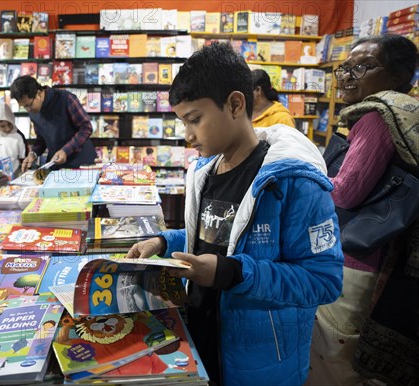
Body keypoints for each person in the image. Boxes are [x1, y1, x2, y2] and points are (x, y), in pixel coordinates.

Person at [125, 42, 343, 386]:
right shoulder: (205, 172)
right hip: (202, 341)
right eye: (183, 122)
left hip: (260, 362)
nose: (187, 136)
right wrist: (163, 241)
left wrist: (233, 273)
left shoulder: (293, 183)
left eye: (195, 120)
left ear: (235, 104)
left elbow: (324, 281)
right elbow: (214, 235)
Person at [307, 34, 419, 386]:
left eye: (363, 66)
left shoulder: (378, 114)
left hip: (355, 259)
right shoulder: (407, 113)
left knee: (332, 362)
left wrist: (308, 176)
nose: (348, 76)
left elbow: (346, 193)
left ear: (400, 75)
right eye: (345, 67)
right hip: (387, 256)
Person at [10, 76, 96, 172]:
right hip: (56, 165)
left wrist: (65, 150)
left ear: (38, 93)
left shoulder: (66, 98)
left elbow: (86, 127)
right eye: (24, 107)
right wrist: (33, 154)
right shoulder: (33, 111)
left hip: (81, 162)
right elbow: (41, 138)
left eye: (29, 105)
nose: (28, 110)